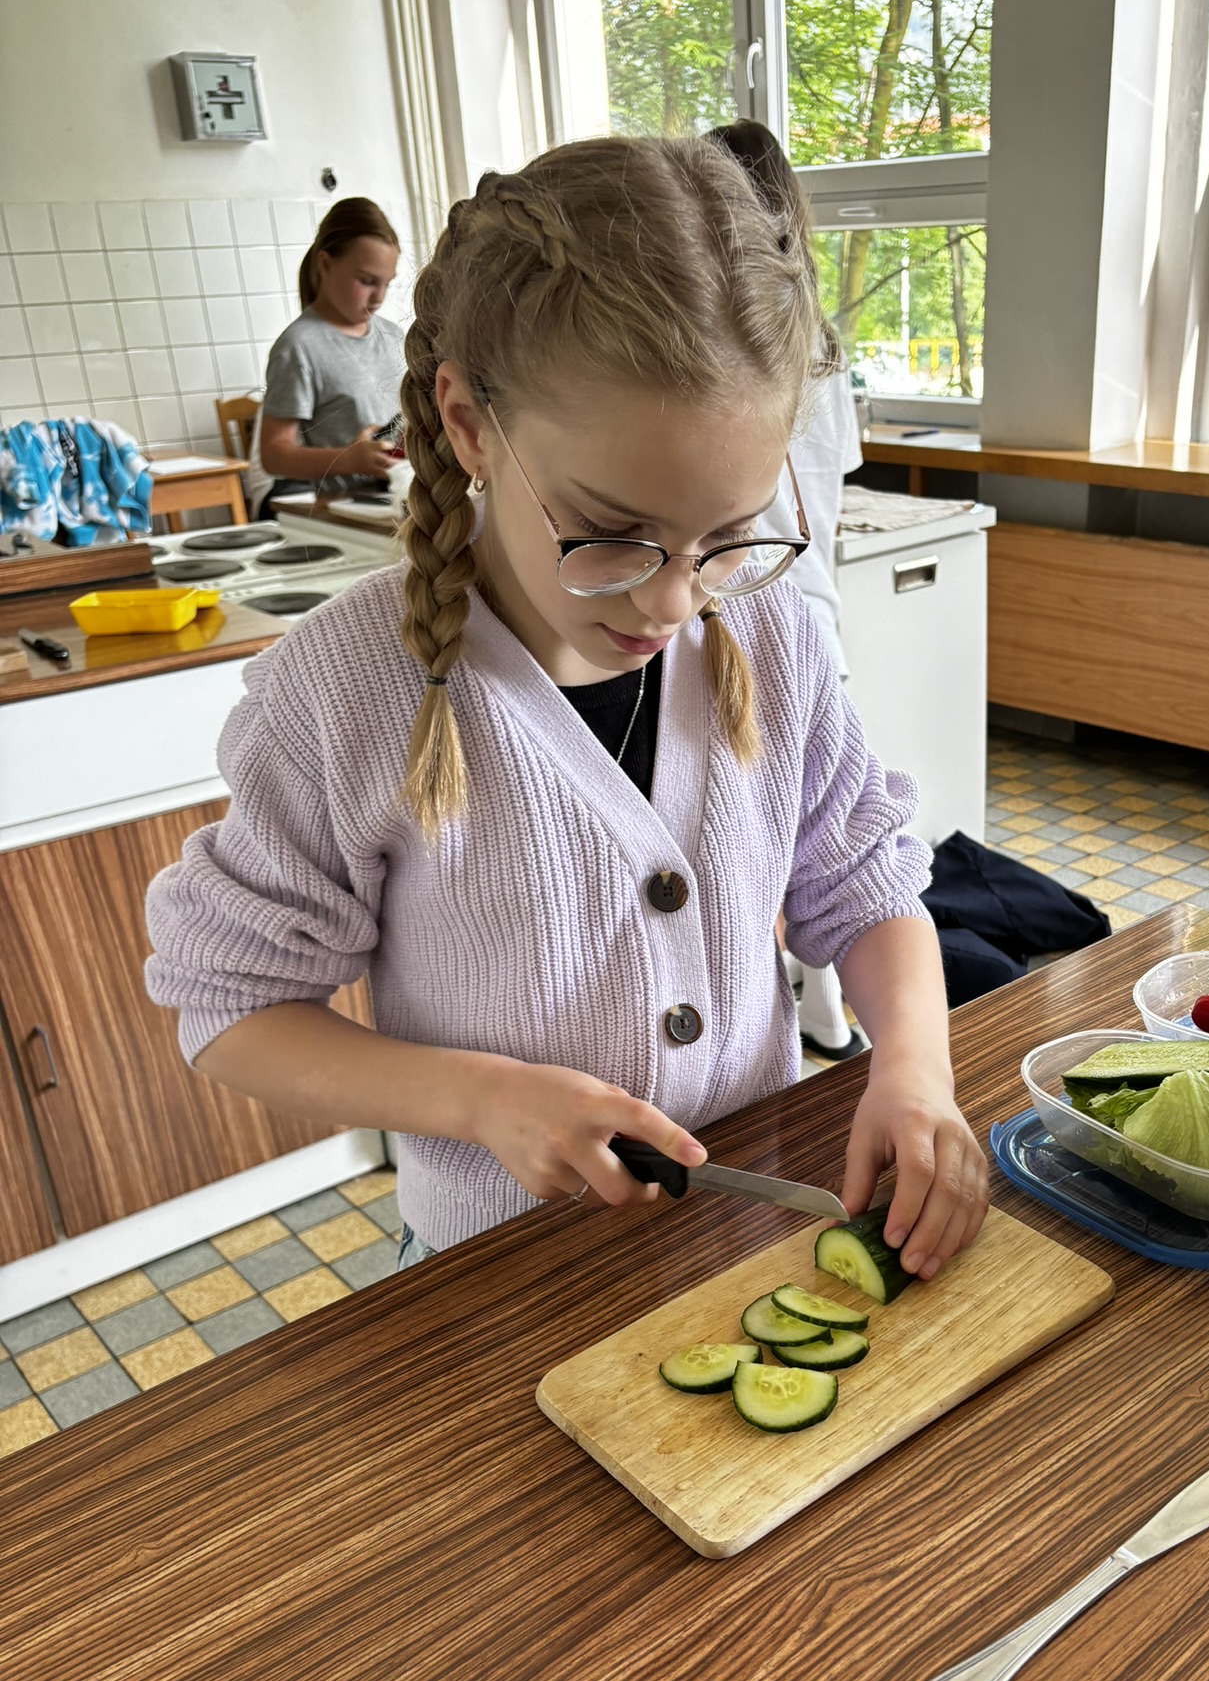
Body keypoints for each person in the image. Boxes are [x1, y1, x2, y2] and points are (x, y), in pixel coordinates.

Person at [145, 138, 988, 1285]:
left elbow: (864, 885)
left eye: (727, 536)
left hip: (749, 1240)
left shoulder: (769, 630)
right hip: (501, 1276)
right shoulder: (345, 690)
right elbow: (231, 1006)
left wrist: (916, 1069)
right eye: (612, 532)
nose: (672, 601)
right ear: (469, 423)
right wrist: (480, 1097)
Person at [710, 119, 866, 1062]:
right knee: (800, 830)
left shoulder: (723, 332)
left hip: (756, 605)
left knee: (765, 835)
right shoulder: (822, 336)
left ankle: (810, 1009)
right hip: (810, 604)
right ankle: (825, 1012)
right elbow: (835, 471)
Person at [244, 196, 406, 519]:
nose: (379, 297)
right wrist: (349, 460)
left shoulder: (394, 336)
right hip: (344, 513)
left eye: (386, 283)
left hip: (399, 499)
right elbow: (274, 455)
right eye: (366, 281)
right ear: (326, 264)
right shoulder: (298, 347)